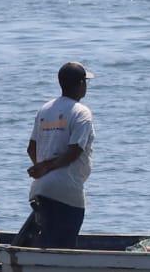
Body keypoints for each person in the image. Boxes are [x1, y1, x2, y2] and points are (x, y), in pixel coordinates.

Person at [15, 61, 95, 250]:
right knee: (64, 248)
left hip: (41, 189)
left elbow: (31, 148)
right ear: (81, 84)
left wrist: (43, 168)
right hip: (67, 190)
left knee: (47, 243)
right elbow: (74, 151)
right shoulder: (81, 112)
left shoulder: (45, 109)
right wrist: (47, 167)